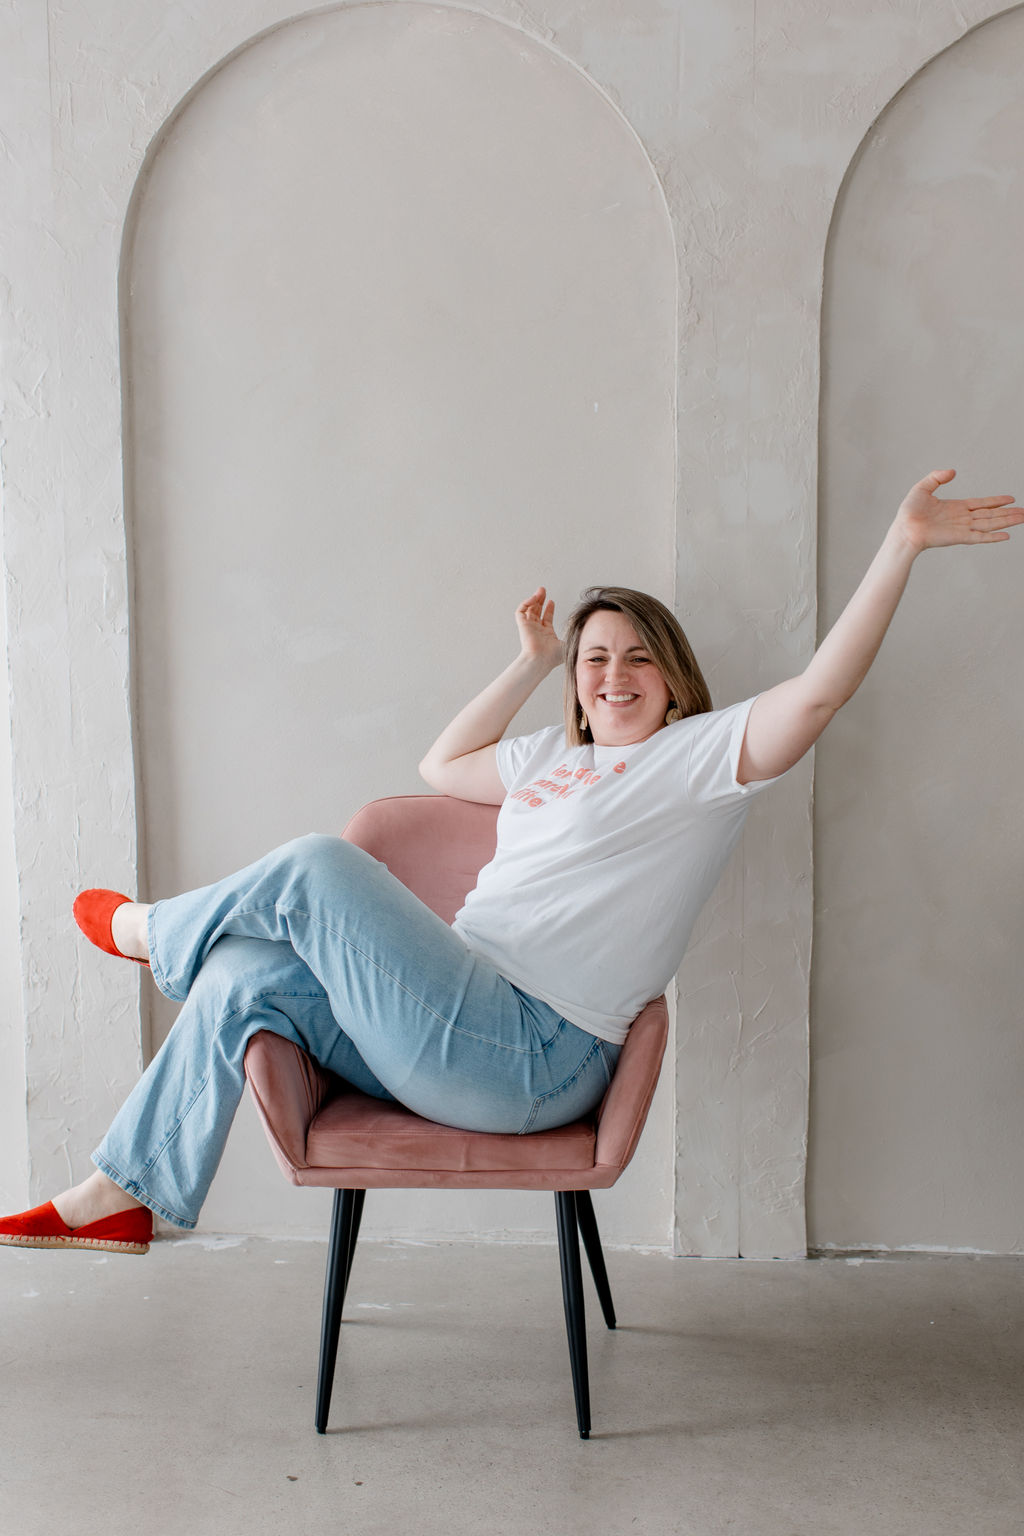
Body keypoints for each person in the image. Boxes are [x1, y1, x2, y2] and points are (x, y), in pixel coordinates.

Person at [1, 469, 1019, 1255]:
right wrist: (528, 662)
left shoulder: (696, 761)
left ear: (672, 677)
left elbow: (817, 694)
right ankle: (124, 1195)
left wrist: (901, 545)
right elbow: (438, 763)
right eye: (593, 659)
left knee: (316, 866)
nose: (613, 675)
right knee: (241, 975)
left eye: (635, 656)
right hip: (450, 1024)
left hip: (533, 1054)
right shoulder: (548, 757)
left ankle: (146, 931)